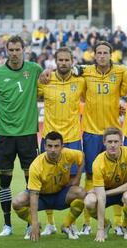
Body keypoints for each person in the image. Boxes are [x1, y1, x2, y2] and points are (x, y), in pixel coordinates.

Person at [0, 35, 43, 236]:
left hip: (27, 135)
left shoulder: (34, 69)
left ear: (23, 49)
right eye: (11, 50)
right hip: (5, 135)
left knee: (31, 182)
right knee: (4, 180)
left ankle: (30, 224)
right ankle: (7, 225)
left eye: (18, 49)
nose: (15, 53)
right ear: (6, 51)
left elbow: (49, 84)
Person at [78, 41, 127, 236]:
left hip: (113, 133)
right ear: (94, 55)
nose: (102, 56)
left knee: (117, 177)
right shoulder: (86, 72)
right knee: (90, 176)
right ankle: (88, 223)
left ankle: (118, 223)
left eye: (106, 53)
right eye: (99, 53)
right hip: (90, 132)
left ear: (111, 55)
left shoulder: (121, 72)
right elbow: (82, 96)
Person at [37, 47, 86, 236]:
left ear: (72, 61)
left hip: (73, 139)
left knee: (73, 184)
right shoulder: (46, 81)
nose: (64, 63)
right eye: (60, 60)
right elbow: (27, 96)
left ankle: (70, 223)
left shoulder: (80, 81)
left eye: (67, 60)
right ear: (55, 61)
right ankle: (50, 224)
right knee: (46, 182)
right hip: (49, 139)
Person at [12, 131, 86, 241]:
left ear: (62, 147)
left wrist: (77, 178)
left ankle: (67, 225)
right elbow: (33, 195)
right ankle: (34, 226)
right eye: (50, 146)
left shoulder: (69, 154)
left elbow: (81, 157)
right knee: (17, 202)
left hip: (60, 195)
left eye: (56, 146)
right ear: (45, 146)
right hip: (41, 197)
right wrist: (34, 222)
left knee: (82, 193)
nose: (53, 150)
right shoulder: (36, 166)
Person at [84, 127, 127, 242]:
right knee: (89, 201)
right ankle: (105, 225)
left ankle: (126, 225)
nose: (113, 145)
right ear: (104, 142)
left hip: (125, 191)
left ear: (121, 142)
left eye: (116, 141)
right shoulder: (98, 162)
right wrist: (99, 229)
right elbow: (100, 197)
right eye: (110, 142)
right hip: (106, 192)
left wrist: (105, 192)